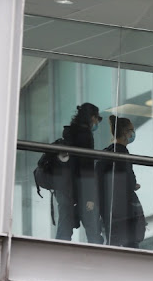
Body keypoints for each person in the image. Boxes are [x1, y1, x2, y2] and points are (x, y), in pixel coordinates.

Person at [55, 103, 103, 244]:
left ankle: (59, 257)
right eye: (96, 119)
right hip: (81, 189)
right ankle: (98, 259)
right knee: (93, 228)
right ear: (92, 118)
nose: (96, 123)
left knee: (64, 229)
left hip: (64, 187)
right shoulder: (85, 136)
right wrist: (89, 197)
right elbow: (86, 168)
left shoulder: (69, 134)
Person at [97, 116, 146, 248]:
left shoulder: (106, 152)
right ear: (125, 132)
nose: (133, 133)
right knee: (130, 246)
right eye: (131, 130)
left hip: (109, 208)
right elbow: (129, 180)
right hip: (123, 209)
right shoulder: (122, 152)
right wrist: (133, 185)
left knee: (114, 243)